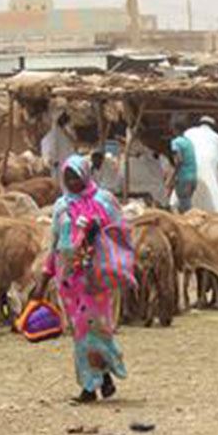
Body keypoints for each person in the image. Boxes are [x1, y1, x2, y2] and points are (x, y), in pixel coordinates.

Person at [34, 156, 133, 404]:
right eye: (67, 176)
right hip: (69, 281)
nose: (71, 181)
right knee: (81, 331)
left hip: (95, 277)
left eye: (75, 175)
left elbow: (119, 234)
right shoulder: (60, 207)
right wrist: (44, 278)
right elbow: (55, 244)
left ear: (86, 175)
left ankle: (90, 387)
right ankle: (104, 377)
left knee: (95, 328)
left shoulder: (105, 202)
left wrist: (96, 230)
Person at [183, 115, 218, 211]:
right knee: (215, 204)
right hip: (209, 176)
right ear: (213, 127)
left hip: (188, 176)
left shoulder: (188, 133)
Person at [166, 128, 199, 213]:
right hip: (193, 177)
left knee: (186, 207)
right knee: (184, 204)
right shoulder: (188, 142)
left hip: (183, 177)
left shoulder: (175, 142)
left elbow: (178, 160)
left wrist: (171, 178)